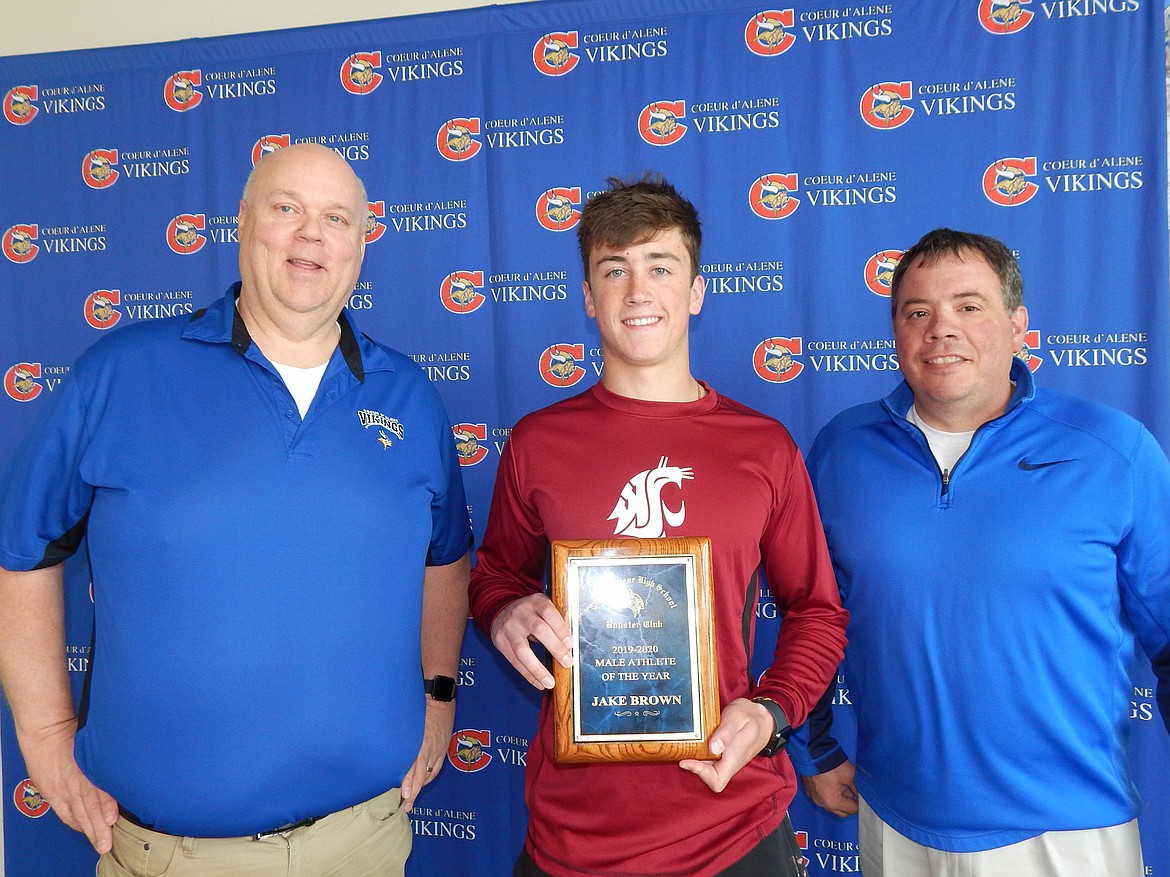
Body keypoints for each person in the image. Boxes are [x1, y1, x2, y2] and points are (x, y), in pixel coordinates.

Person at [0, 143, 472, 876]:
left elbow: (446, 554)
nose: (311, 234)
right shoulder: (122, 373)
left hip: (367, 843)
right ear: (245, 221)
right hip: (172, 856)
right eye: (287, 209)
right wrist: (45, 730)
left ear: (361, 244)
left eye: (336, 218)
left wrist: (438, 694)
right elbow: (22, 550)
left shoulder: (408, 396)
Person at [468, 174, 849, 877]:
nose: (637, 291)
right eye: (614, 270)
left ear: (697, 291)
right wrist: (505, 611)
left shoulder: (762, 447)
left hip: (731, 825)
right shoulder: (537, 442)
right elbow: (493, 575)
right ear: (588, 296)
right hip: (572, 836)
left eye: (660, 267)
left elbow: (817, 611)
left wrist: (770, 712)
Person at [793, 228, 1170, 875]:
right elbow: (812, 610)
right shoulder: (841, 450)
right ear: (896, 333)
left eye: (969, 306)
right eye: (918, 312)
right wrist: (815, 748)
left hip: (1068, 832)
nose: (942, 328)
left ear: (1018, 325)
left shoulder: (1114, 450)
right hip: (896, 820)